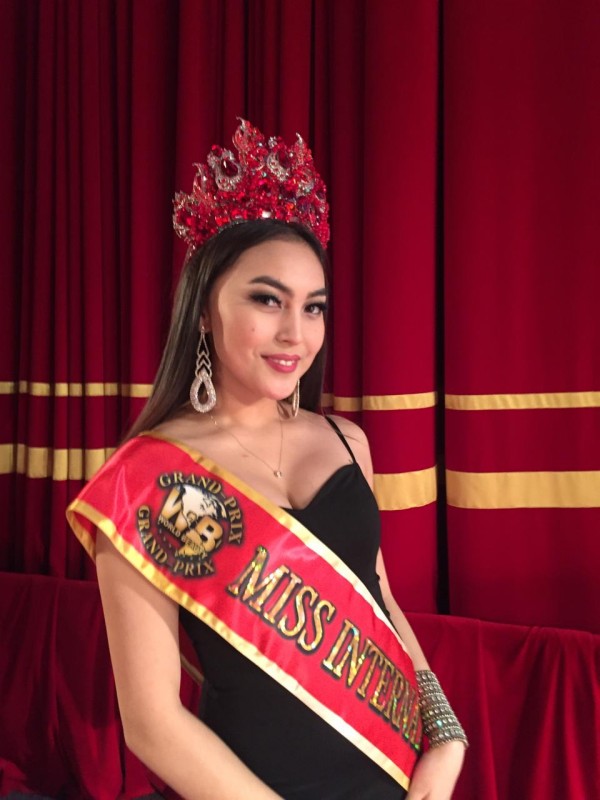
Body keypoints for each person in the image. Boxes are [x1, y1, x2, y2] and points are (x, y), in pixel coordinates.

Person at [67, 119, 467, 800]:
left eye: (314, 308)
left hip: (395, 777)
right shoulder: (144, 478)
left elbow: (380, 599)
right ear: (203, 310)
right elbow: (153, 725)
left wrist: (445, 733)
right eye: (267, 300)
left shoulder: (347, 442)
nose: (295, 333)